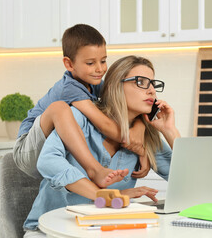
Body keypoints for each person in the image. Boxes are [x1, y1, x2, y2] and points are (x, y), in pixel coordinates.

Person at [23, 55, 181, 237]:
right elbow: (48, 161)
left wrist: (170, 131)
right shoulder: (78, 118)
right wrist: (107, 196)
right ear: (116, 85)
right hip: (50, 230)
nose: (152, 91)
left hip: (104, 231)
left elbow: (189, 183)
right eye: (141, 82)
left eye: (153, 84)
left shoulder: (146, 136)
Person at [13, 24, 150, 188]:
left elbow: (133, 103)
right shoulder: (70, 87)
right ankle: (94, 170)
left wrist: (140, 127)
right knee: (59, 109)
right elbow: (106, 125)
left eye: (103, 61)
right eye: (91, 63)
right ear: (69, 64)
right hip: (28, 149)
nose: (100, 69)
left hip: (57, 152)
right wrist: (139, 147)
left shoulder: (95, 82)